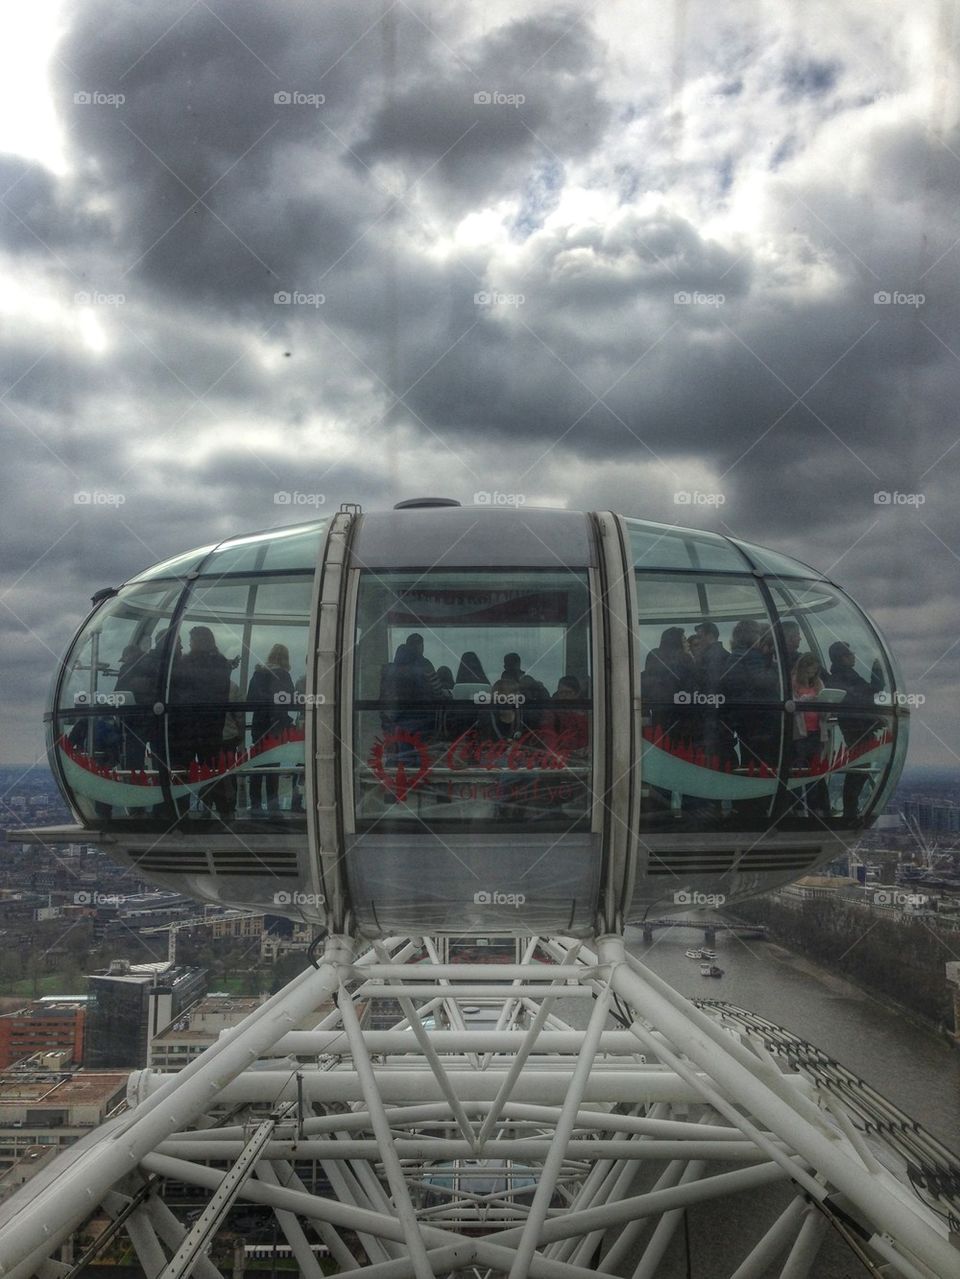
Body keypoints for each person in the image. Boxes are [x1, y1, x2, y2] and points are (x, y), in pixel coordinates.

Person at [827, 641, 884, 822]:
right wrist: (877, 670)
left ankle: (850, 810)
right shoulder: (844, 676)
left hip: (857, 726)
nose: (853, 657)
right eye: (849, 654)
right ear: (842, 658)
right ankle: (850, 811)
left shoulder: (840, 675)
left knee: (859, 769)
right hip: (858, 727)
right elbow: (869, 691)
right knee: (859, 770)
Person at [246, 644, 295, 814]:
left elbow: (250, 700)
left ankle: (255, 805)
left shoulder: (258, 673)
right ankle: (273, 806)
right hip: (276, 727)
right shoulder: (284, 675)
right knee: (273, 767)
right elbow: (289, 700)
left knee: (257, 766)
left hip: (259, 725)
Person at [790, 653, 830, 818]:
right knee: (799, 771)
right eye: (809, 671)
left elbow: (825, 704)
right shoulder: (792, 683)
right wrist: (804, 700)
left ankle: (815, 808)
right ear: (802, 668)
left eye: (814, 672)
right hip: (800, 733)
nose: (811, 675)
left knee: (814, 771)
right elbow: (790, 704)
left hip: (817, 732)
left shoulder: (818, 683)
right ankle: (798, 808)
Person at [641, 627, 696, 743]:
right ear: (677, 642)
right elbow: (693, 689)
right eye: (685, 640)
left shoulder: (654, 657)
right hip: (682, 719)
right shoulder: (684, 660)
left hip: (658, 716)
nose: (688, 644)